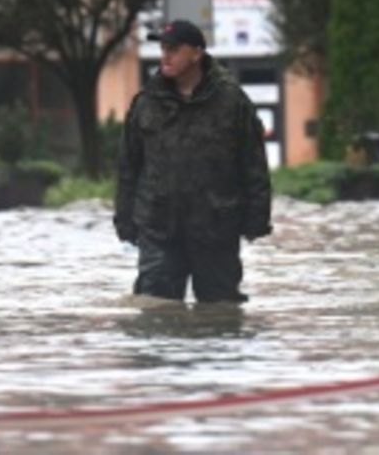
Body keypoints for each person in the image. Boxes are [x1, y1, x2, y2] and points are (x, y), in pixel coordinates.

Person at [114, 19, 273, 303]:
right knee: (156, 312)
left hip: (215, 228)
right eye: (162, 48)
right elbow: (129, 166)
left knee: (220, 315)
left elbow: (253, 165)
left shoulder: (231, 101)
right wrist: (124, 219)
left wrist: (257, 219)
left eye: (174, 49)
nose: (165, 55)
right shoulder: (147, 102)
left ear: (197, 53)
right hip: (159, 227)